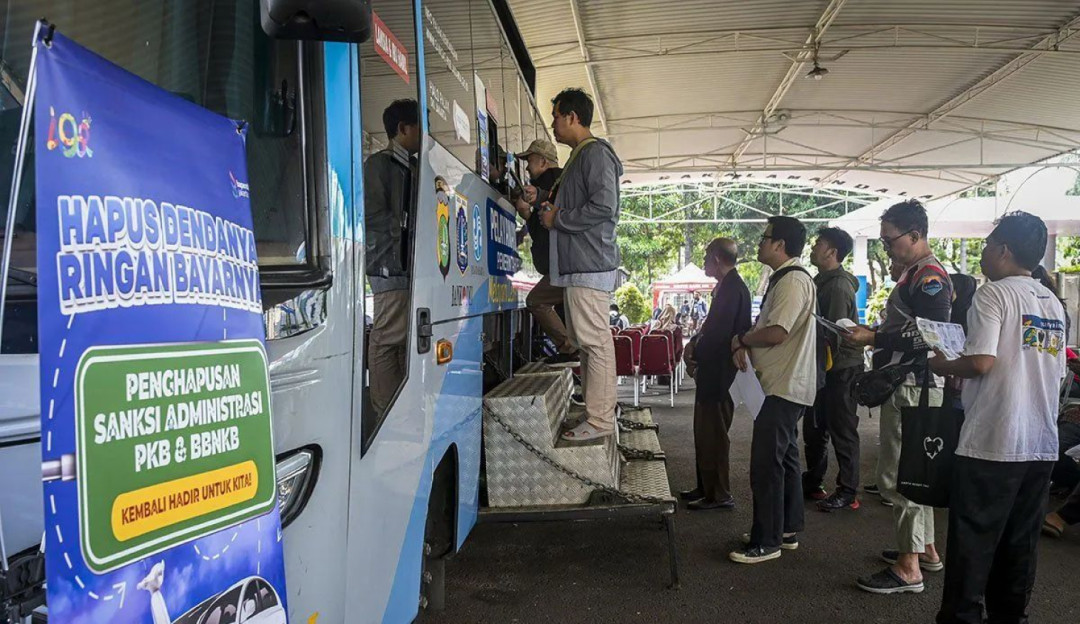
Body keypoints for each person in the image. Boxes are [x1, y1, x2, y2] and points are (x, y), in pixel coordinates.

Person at [930, 212, 1066, 623]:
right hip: (1041, 443)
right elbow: (1054, 371)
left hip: (993, 441)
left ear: (1004, 250)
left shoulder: (994, 295)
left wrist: (944, 365)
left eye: (989, 245)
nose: (985, 254)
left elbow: (982, 361)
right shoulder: (1052, 303)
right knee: (1019, 548)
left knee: (972, 547)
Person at [845, 199, 952, 594]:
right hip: (913, 384)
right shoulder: (917, 275)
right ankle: (924, 549)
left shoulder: (929, 278)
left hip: (913, 385)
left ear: (915, 235)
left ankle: (909, 568)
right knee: (916, 470)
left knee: (900, 475)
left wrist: (873, 336)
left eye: (890, 242)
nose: (886, 249)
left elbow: (931, 333)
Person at [728, 216, 817, 564]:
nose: (759, 243)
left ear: (780, 244)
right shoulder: (787, 278)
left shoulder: (793, 281)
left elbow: (777, 331)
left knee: (767, 464)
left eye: (765, 238)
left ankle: (767, 541)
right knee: (786, 458)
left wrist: (742, 339)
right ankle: (786, 527)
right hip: (784, 383)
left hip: (783, 384)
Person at [539, 88, 622, 441]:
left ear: (573, 117)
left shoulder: (595, 154)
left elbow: (605, 207)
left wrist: (559, 218)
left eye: (556, 116)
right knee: (590, 343)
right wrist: (544, 201)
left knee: (595, 342)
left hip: (589, 263)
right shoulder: (580, 156)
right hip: (580, 265)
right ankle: (596, 413)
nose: (553, 124)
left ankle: (601, 420)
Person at [680, 238, 752, 511]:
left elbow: (720, 334)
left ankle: (719, 493)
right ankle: (706, 486)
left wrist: (695, 352)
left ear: (717, 258)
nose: (704, 262)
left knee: (715, 434)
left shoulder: (733, 288)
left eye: (707, 256)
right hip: (713, 371)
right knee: (705, 432)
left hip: (721, 373)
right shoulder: (727, 287)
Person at [803, 227, 864, 511]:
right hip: (824, 367)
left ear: (832, 252)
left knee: (841, 428)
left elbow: (835, 334)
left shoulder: (838, 286)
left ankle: (848, 490)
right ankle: (814, 480)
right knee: (815, 427)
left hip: (840, 368)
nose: (814, 247)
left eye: (819, 243)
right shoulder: (822, 280)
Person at [365, 99, 419, 414]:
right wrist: (408, 224)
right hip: (388, 264)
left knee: (401, 340)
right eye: (419, 127)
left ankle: (400, 405)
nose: (425, 134)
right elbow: (371, 215)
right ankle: (383, 408)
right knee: (386, 339)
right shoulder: (379, 165)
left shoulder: (412, 168)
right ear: (402, 129)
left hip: (408, 266)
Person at [514, 139, 578, 366]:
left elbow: (547, 225)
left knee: (535, 301)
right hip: (564, 265)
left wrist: (532, 205)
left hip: (563, 266)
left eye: (530, 161)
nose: (528, 168)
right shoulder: (557, 184)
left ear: (542, 161)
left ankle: (569, 349)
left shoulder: (550, 182)